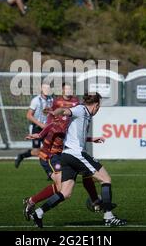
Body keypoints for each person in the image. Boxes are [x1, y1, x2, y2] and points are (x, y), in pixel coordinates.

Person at [30, 93, 127, 228]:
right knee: (106, 179)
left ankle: (38, 213)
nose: (98, 109)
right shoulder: (80, 109)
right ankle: (108, 216)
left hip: (67, 155)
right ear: (97, 105)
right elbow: (65, 111)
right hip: (76, 154)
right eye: (99, 106)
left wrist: (91, 139)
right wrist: (55, 111)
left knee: (65, 193)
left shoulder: (85, 113)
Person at [22, 83, 106, 221]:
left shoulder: (72, 122)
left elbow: (77, 136)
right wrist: (39, 135)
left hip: (62, 156)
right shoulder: (59, 122)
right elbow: (51, 126)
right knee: (62, 188)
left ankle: (95, 200)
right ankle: (31, 202)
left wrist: (91, 139)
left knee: (82, 175)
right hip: (49, 157)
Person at [15, 83, 53, 168]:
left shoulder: (51, 100)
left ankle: (50, 172)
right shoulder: (36, 100)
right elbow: (29, 115)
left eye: (48, 88)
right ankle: (21, 156)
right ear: (41, 89)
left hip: (47, 128)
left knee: (49, 150)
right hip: (37, 128)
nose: (47, 90)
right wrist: (41, 124)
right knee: (36, 151)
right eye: (45, 88)